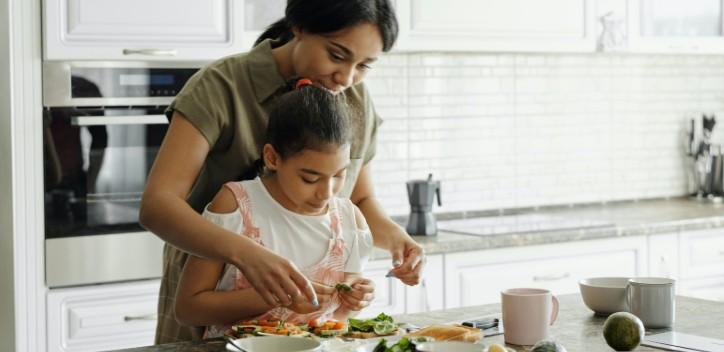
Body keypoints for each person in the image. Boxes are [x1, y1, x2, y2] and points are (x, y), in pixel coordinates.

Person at [139, 0, 425, 343]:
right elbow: (158, 204)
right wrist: (246, 253)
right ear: (299, 27)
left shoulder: (354, 99)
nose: (346, 78)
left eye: (364, 65)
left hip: (307, 329)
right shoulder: (221, 86)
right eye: (336, 55)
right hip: (211, 296)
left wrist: (398, 242)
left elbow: (359, 198)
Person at [174, 81, 374, 338]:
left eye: (339, 175)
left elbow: (342, 315)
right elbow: (188, 309)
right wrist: (274, 297)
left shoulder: (349, 219)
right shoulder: (236, 205)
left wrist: (357, 298)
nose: (327, 192)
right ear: (272, 158)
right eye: (310, 178)